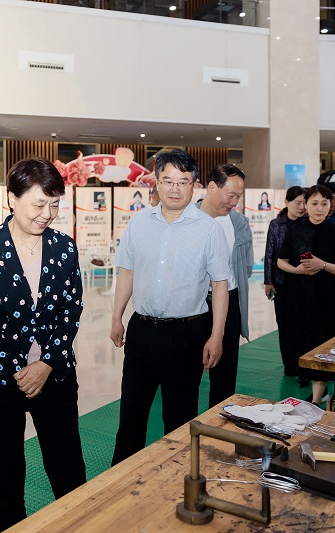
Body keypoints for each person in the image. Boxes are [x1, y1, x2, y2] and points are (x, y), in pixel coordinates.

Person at [0, 157, 86, 531]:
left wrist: (46, 363)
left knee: (69, 473)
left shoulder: (64, 248)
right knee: (5, 480)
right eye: (39, 204)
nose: (47, 214)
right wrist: (20, 370)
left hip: (55, 376)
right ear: (12, 199)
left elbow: (71, 309)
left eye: (54, 205)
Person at [109, 149, 229, 465]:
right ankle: (120, 480)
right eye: (168, 181)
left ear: (194, 185)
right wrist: (116, 317)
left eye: (183, 182)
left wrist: (216, 337)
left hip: (187, 334)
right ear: (157, 182)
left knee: (179, 418)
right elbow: (127, 273)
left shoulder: (209, 229)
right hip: (141, 330)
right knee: (131, 414)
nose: (175, 189)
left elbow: (220, 285)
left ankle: (176, 480)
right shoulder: (138, 223)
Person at [277, 185, 335, 402]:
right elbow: (281, 261)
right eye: (314, 203)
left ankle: (317, 397)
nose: (319, 208)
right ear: (306, 205)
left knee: (325, 344)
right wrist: (296, 270)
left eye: (324, 204)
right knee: (303, 342)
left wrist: (323, 265)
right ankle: (319, 392)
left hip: (328, 299)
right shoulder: (295, 230)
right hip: (300, 297)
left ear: (331, 206)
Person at [198, 164, 254, 408]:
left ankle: (219, 419)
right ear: (212, 187)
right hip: (196, 304)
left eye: (238, 197)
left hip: (230, 302)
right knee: (188, 371)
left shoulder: (238, 222)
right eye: (231, 195)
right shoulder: (188, 219)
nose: (234, 202)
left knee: (225, 372)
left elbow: (246, 266)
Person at [264, 186, 306, 375]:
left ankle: (303, 361)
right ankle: (289, 363)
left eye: (304, 203)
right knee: (284, 322)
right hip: (281, 281)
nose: (301, 207)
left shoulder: (307, 223)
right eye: (297, 203)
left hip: (303, 281)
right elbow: (269, 254)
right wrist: (268, 281)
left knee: (301, 323)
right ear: (287, 202)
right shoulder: (276, 224)